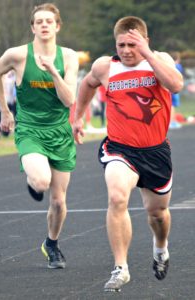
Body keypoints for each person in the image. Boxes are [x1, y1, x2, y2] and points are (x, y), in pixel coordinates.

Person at [73, 16, 183, 292]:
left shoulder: (159, 59)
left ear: (145, 41)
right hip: (120, 149)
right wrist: (78, 117)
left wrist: (146, 52)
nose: (125, 50)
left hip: (155, 152)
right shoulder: (104, 66)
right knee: (117, 196)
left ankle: (160, 248)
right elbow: (87, 84)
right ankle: (120, 267)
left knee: (157, 213)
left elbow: (176, 84)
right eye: (121, 44)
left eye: (131, 45)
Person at [0, 3, 79, 269]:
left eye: (49, 21)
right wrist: (5, 112)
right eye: (39, 21)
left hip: (59, 132)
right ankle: (35, 179)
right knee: (42, 181)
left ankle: (51, 244)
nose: (44, 25)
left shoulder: (68, 57)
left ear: (57, 26)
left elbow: (69, 100)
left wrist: (53, 71)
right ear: (32, 27)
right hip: (30, 129)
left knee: (58, 202)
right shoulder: (17, 55)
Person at [169, 51, 184, 129]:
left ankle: (171, 121)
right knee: (172, 105)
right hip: (174, 88)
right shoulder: (178, 66)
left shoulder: (168, 65)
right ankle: (172, 122)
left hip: (169, 88)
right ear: (178, 58)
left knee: (170, 105)